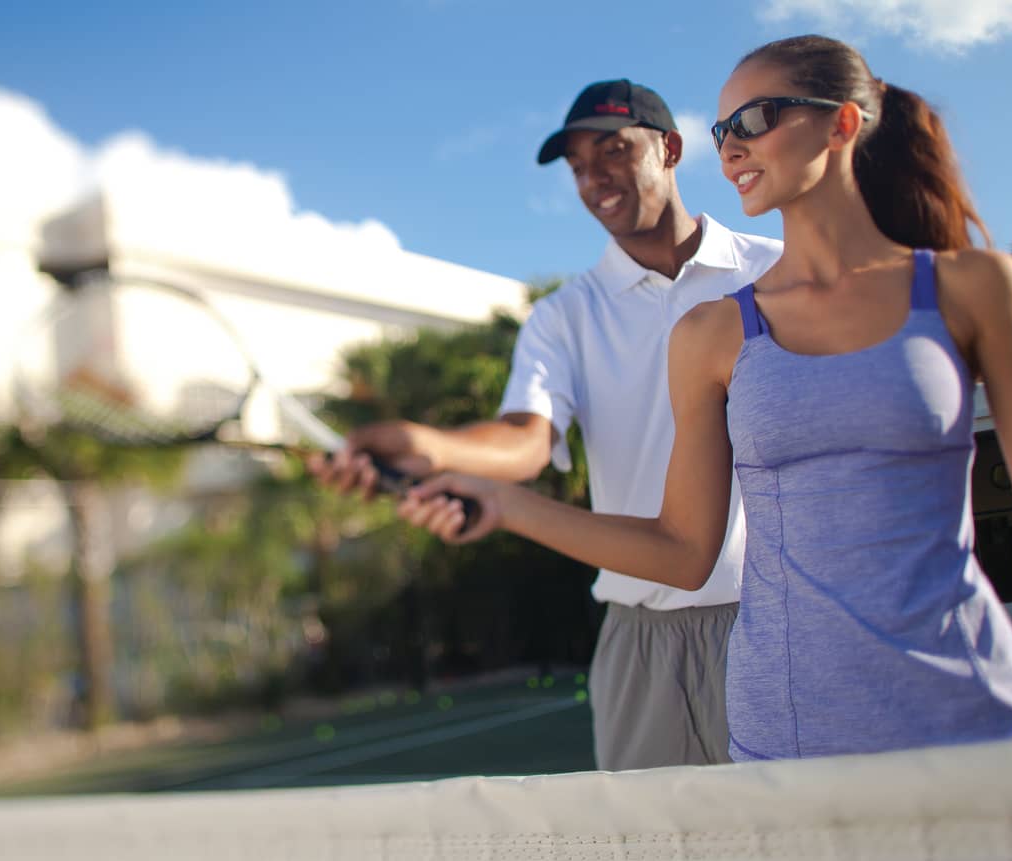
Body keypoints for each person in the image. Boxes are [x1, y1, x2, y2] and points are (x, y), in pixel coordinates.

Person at [397, 35, 1012, 762]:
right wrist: (508, 504)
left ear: (843, 123)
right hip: (785, 727)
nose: (734, 143)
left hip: (968, 707)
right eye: (723, 128)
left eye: (756, 118)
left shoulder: (973, 287)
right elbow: (680, 550)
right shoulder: (710, 333)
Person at [310, 79, 783, 770]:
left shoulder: (775, 272)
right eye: (578, 166)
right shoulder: (565, 316)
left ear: (671, 149)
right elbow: (526, 441)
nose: (594, 178)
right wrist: (426, 446)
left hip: (777, 619)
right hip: (639, 637)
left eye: (614, 150)